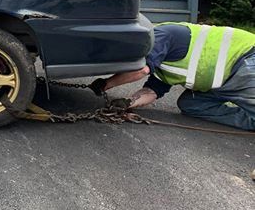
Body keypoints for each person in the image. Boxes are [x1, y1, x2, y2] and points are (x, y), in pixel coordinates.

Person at [95, 22, 255, 131]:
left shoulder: (160, 35)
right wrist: (128, 102)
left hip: (246, 61)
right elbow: (151, 92)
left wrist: (106, 84)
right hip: (222, 83)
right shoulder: (160, 64)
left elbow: (141, 71)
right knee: (190, 104)